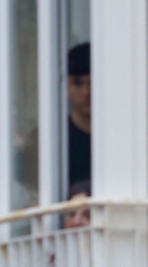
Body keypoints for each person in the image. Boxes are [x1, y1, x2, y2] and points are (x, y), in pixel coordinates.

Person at [66, 43, 91, 190]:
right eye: (78, 83)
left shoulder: (123, 136)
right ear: (66, 87)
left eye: (93, 83)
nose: (86, 92)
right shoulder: (53, 141)